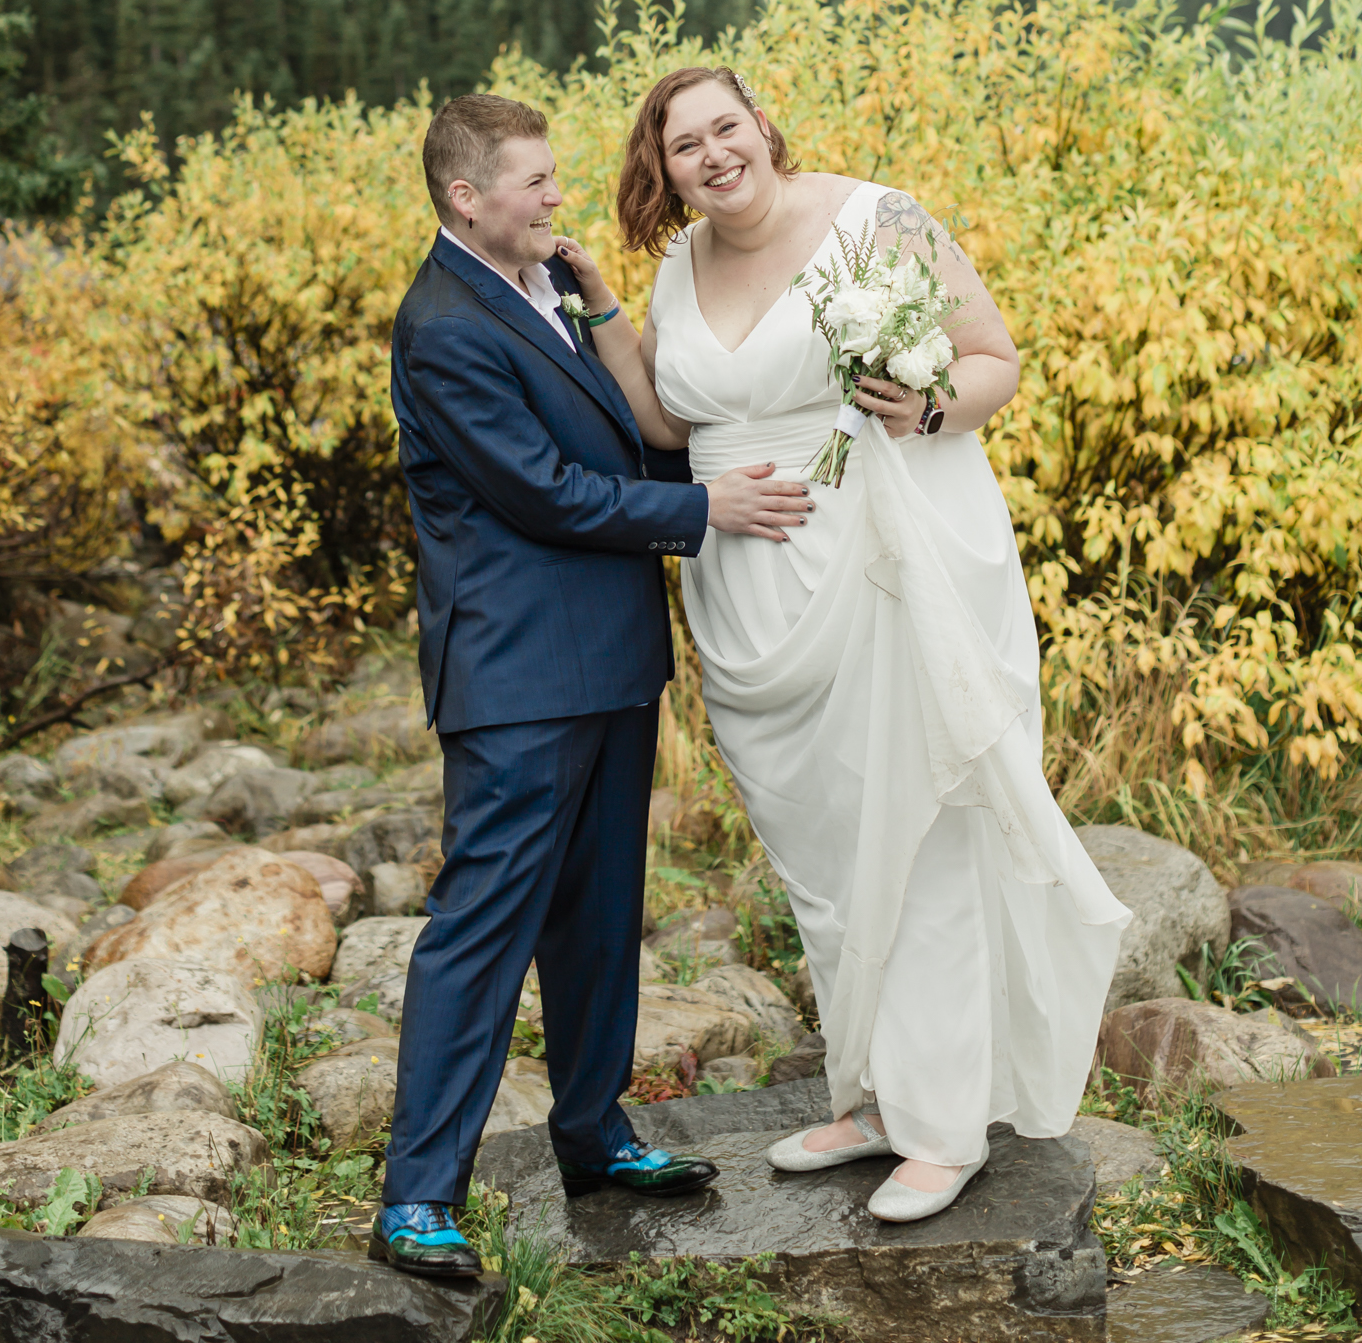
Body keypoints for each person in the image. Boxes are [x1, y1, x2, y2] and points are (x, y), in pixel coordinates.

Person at [553, 67, 1130, 1225]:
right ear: (661, 168)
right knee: (823, 859)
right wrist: (609, 313)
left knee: (915, 828)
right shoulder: (681, 263)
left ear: (765, 127)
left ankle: (945, 1125)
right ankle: (869, 1096)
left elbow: (991, 361)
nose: (713, 155)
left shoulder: (878, 218)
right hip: (746, 597)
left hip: (876, 562)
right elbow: (673, 423)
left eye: (727, 128)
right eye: (684, 146)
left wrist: (921, 409)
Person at [376, 92, 816, 1277]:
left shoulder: (543, 289)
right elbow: (540, 494)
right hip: (517, 674)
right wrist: (704, 512)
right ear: (467, 198)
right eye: (535, 180)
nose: (557, 196)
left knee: (599, 916)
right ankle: (417, 1195)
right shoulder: (444, 326)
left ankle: (593, 1132)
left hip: (611, 661)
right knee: (480, 930)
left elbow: (624, 431)